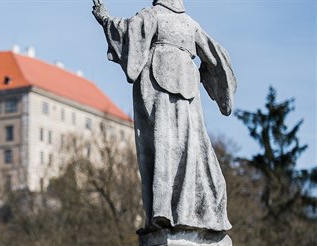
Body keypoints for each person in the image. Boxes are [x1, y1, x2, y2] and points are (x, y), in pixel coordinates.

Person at [92, 0, 236, 234]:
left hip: (159, 86)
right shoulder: (189, 24)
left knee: (166, 148)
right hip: (182, 86)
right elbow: (216, 56)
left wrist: (105, 20)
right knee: (188, 148)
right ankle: (185, 210)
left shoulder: (152, 15)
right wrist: (219, 84)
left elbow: (128, 36)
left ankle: (170, 211)